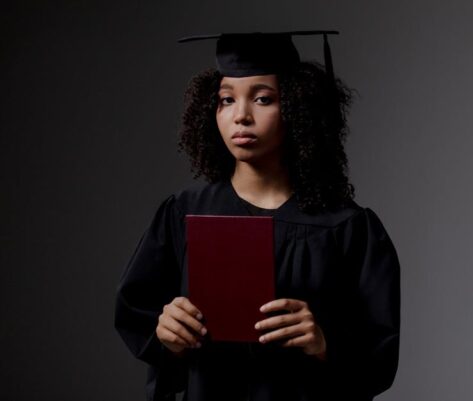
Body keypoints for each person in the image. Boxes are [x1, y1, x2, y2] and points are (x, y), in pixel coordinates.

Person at [114, 31, 400, 401]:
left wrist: (324, 343)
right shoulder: (184, 212)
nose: (241, 116)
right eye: (226, 100)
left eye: (263, 99)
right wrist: (169, 334)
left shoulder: (346, 228)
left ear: (296, 107)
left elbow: (379, 353)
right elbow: (139, 316)